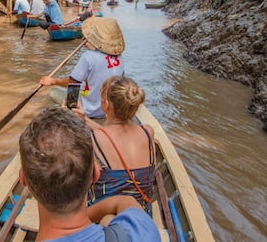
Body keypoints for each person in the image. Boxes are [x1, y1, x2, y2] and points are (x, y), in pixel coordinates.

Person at [19, 107, 161, 241]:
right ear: (95, 173)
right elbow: (126, 201)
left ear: (23, 179)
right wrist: (92, 215)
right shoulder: (143, 231)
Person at [80, 76, 155, 214]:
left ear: (106, 104)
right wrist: (84, 119)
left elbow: (83, 181)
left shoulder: (93, 139)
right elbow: (111, 137)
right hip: (142, 214)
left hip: (102, 216)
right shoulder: (147, 132)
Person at [39, 17, 125, 119]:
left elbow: (72, 82)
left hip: (90, 110)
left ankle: (73, 114)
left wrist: (53, 81)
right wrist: (91, 45)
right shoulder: (119, 57)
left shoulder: (88, 56)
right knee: (83, 87)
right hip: (108, 109)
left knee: (54, 91)